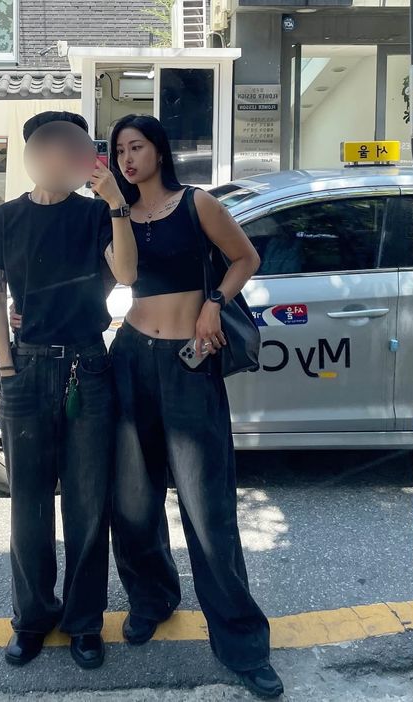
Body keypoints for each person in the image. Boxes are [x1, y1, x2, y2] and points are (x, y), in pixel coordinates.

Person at [108, 114, 284, 699]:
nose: (127, 158)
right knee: (132, 499)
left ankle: (243, 644)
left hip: (188, 364)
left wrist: (214, 301)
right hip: (131, 357)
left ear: (159, 150)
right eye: (119, 150)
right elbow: (119, 276)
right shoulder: (118, 214)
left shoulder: (196, 203)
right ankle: (151, 598)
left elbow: (245, 258)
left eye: (136, 146)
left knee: (208, 509)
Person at [0, 111, 137, 669]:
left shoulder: (96, 214)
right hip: (26, 369)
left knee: (88, 504)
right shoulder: (4, 218)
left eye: (73, 149)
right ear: (33, 153)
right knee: (28, 507)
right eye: (51, 147)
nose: (62, 157)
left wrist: (116, 201)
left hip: (87, 368)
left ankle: (84, 622)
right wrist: (6, 366)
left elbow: (126, 274)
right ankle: (31, 618)